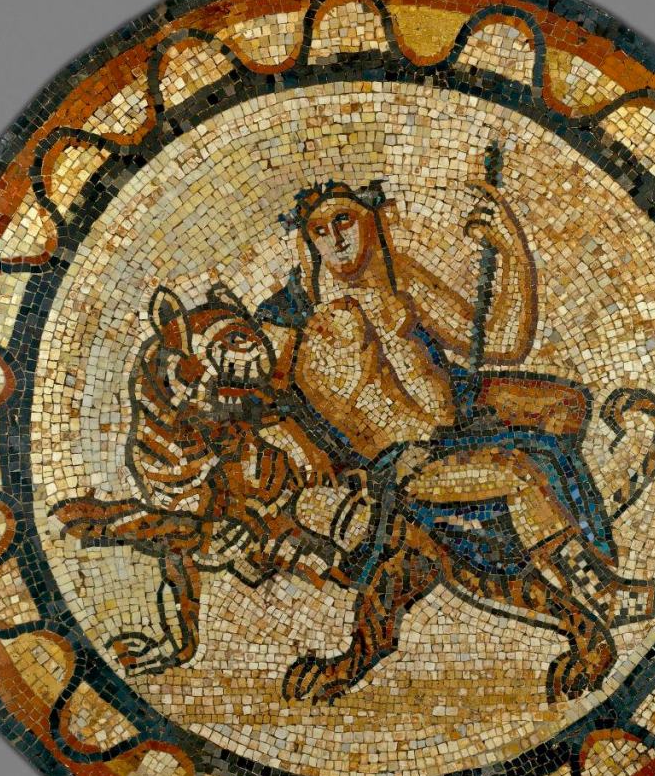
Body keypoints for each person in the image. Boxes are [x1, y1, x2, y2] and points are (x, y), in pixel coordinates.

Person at [257, 177, 623, 619]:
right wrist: (307, 448)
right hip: (401, 458)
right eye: (320, 231)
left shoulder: (399, 276)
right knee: (523, 471)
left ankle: (552, 523)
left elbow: (500, 343)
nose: (335, 240)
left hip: (455, 405)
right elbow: (259, 397)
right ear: (308, 242)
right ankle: (596, 588)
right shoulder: (293, 312)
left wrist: (511, 251)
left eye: (343, 221)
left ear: (371, 219)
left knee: (565, 404)